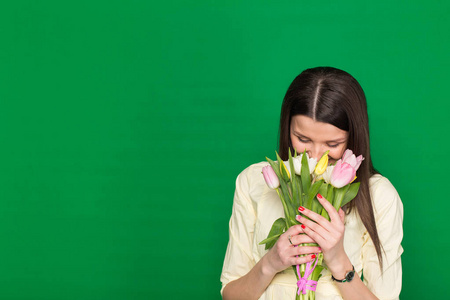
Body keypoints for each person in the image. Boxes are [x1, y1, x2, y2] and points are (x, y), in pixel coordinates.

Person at [220, 67, 403, 300]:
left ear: (354, 137)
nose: (316, 156)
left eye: (332, 143)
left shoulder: (379, 195)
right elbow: (231, 295)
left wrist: (338, 261)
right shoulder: (255, 180)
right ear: (288, 128)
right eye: (303, 139)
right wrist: (271, 263)